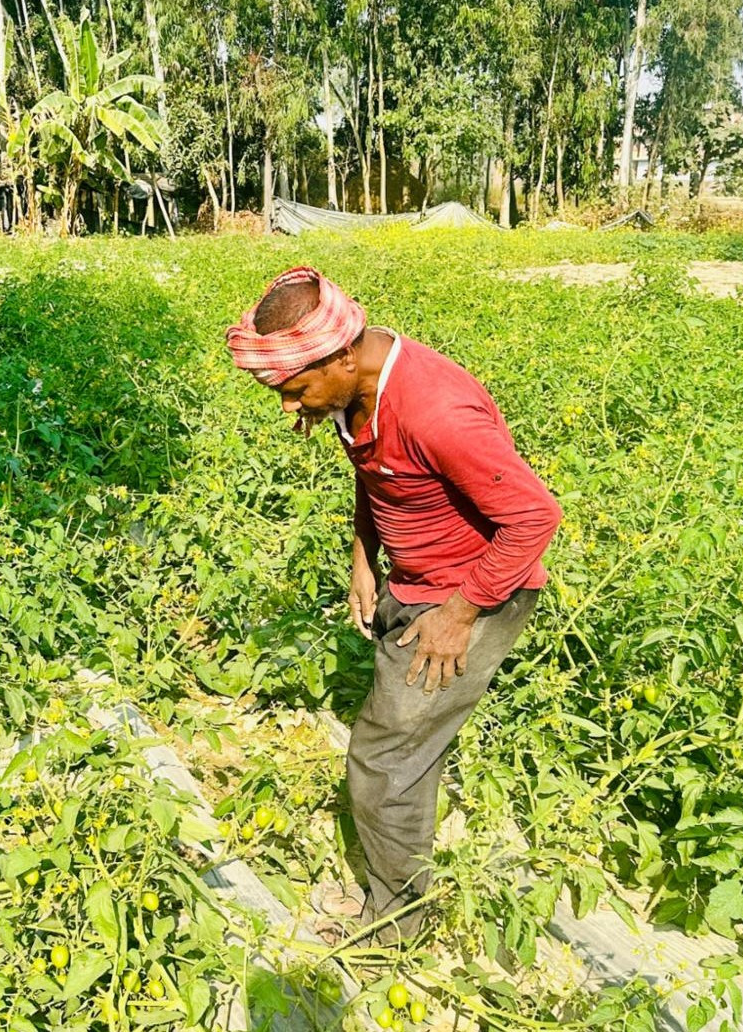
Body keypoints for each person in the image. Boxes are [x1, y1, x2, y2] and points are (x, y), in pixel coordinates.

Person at [225, 266, 563, 942]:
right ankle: (397, 888)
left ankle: (396, 926)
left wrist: (461, 613)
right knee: (405, 751)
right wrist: (364, 561)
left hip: (465, 597)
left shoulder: (433, 409)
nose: (292, 410)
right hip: (415, 584)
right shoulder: (357, 391)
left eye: (296, 391)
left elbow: (534, 517)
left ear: (342, 354)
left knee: (383, 761)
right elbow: (376, 478)